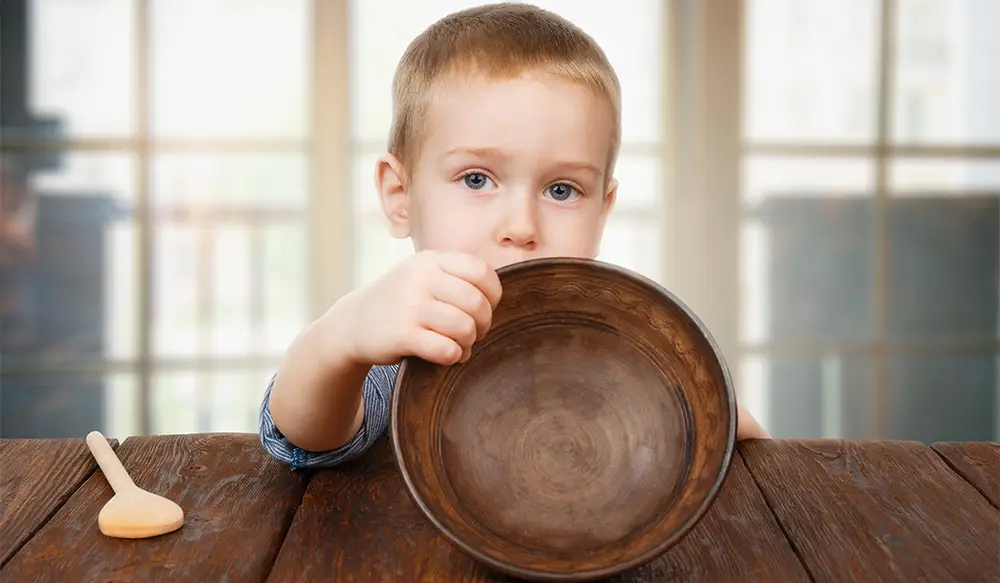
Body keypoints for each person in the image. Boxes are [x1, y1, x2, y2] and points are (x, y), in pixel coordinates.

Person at [259, 2, 769, 470]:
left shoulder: (626, 362)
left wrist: (721, 429)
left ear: (601, 213)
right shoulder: (405, 345)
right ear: (400, 196)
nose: (522, 228)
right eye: (477, 180)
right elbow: (302, 437)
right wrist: (344, 337)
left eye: (563, 190)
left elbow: (744, 460)